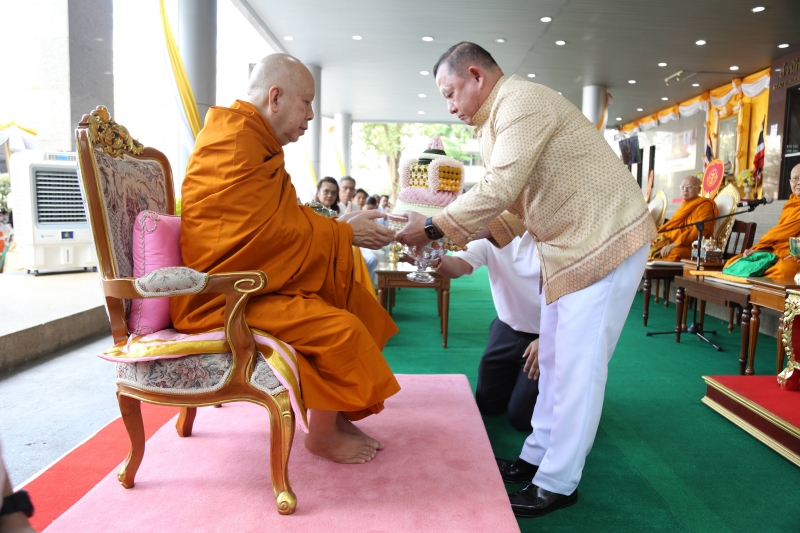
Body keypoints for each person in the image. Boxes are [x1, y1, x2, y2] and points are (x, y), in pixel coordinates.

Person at [396, 42, 656, 517]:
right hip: (570, 246)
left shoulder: (520, 102)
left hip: (606, 239)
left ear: (476, 75)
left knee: (578, 366)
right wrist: (447, 239)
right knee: (556, 359)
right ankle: (536, 458)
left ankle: (559, 481)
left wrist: (433, 227)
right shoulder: (498, 120)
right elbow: (514, 212)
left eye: (451, 93)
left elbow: (498, 190)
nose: (450, 106)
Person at [171, 53, 400, 465]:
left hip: (250, 282)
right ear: (275, 97)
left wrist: (341, 225)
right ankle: (322, 436)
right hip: (219, 296)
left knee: (346, 298)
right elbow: (263, 236)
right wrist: (343, 232)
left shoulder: (251, 139)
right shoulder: (236, 142)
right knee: (339, 327)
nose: (312, 115)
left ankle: (338, 414)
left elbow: (277, 222)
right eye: (306, 102)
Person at [430, 233, 540, 431]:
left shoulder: (555, 231)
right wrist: (428, 255)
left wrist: (550, 339)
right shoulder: (491, 232)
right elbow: (456, 267)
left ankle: (566, 387)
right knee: (487, 406)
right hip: (506, 328)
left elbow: (577, 295)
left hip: (545, 335)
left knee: (522, 420)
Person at [724, 163, 800, 278]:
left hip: (794, 257)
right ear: (790, 182)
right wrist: (759, 251)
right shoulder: (790, 205)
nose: (798, 182)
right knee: (734, 262)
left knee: (784, 270)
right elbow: (778, 239)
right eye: (795, 178)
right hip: (777, 253)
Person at [649, 176, 718, 260]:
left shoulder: (705, 205)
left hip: (695, 246)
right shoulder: (684, 206)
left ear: (699, 190)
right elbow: (673, 228)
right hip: (674, 242)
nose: (685, 189)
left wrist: (674, 244)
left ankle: (664, 273)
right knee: (648, 247)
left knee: (674, 253)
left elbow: (699, 232)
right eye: (682, 187)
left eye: (690, 187)